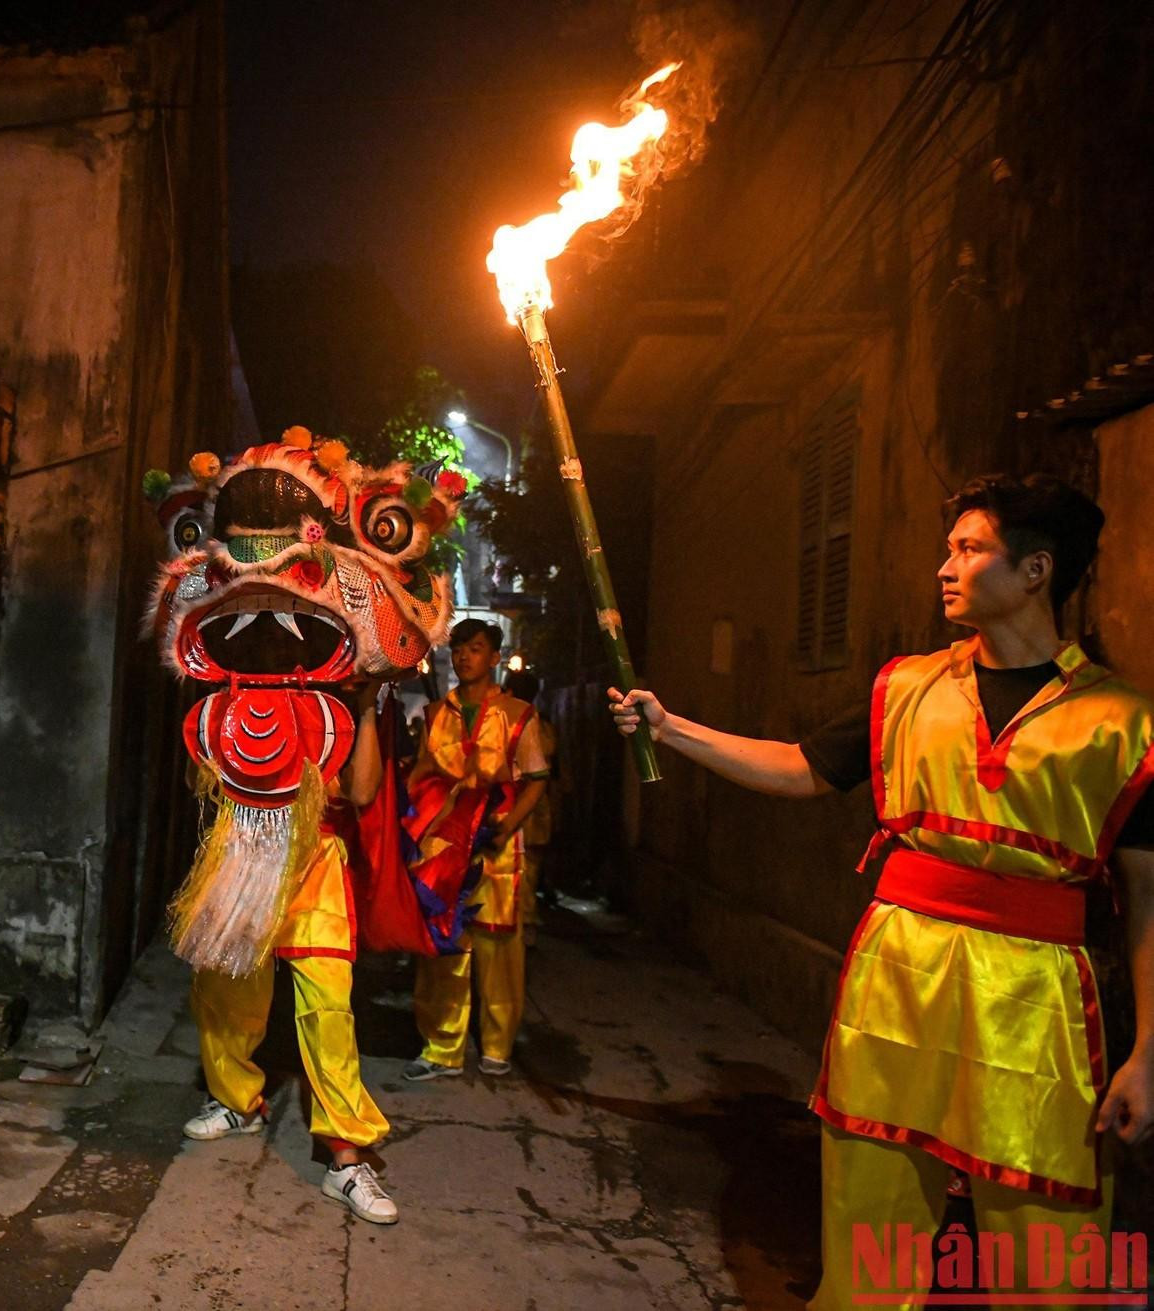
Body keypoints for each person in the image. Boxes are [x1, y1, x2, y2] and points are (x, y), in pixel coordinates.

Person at [608, 474, 1154, 1310]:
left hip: (1036, 1002)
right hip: (899, 979)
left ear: (1037, 570)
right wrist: (671, 727)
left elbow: (1148, 900)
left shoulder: (1123, 722)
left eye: (970, 549)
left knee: (1045, 1253)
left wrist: (1149, 1054)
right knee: (871, 1235)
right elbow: (799, 767)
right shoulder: (909, 687)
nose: (945, 566)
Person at [183, 692, 400, 1224]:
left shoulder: (338, 709)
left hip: (317, 862)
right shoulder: (238, 690)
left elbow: (363, 790)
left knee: (328, 1007)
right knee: (224, 990)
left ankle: (345, 1159)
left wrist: (368, 707)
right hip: (242, 853)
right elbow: (197, 784)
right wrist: (219, 710)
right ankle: (236, 1102)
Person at [403, 621, 550, 1082]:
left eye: (476, 649)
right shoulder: (435, 713)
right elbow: (424, 774)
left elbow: (536, 779)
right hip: (444, 847)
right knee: (445, 946)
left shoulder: (517, 713)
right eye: (460, 649)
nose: (465, 657)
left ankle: (497, 1043)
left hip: (495, 846)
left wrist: (507, 829)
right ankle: (441, 1044)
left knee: (498, 947)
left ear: (494, 658)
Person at [503, 669, 557, 941]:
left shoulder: (518, 721)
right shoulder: (543, 724)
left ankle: (523, 924)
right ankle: (523, 923)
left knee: (525, 871)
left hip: (520, 809)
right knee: (526, 871)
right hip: (530, 811)